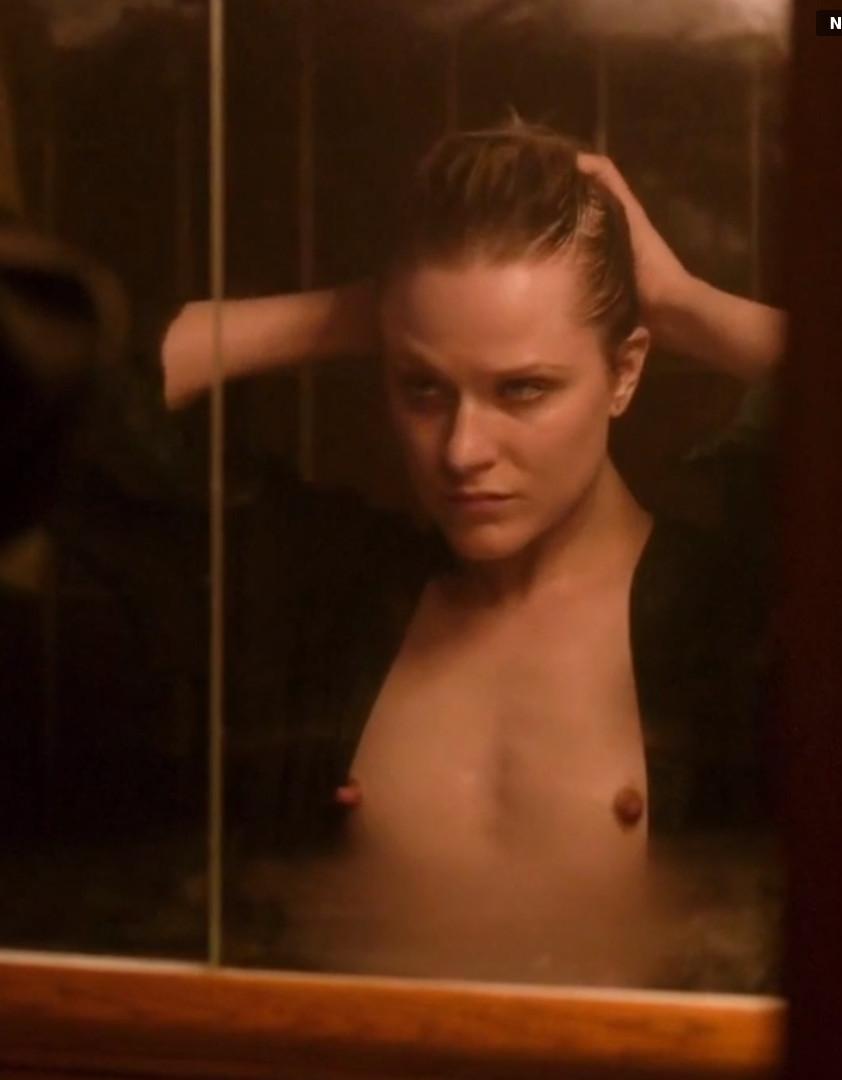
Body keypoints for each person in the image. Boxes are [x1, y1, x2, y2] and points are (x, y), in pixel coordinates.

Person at [154, 124, 784, 983]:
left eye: (522, 389)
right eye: (423, 388)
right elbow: (75, 406)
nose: (462, 450)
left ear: (625, 373)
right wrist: (358, 314)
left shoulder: (724, 615)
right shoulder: (331, 598)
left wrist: (681, 304)